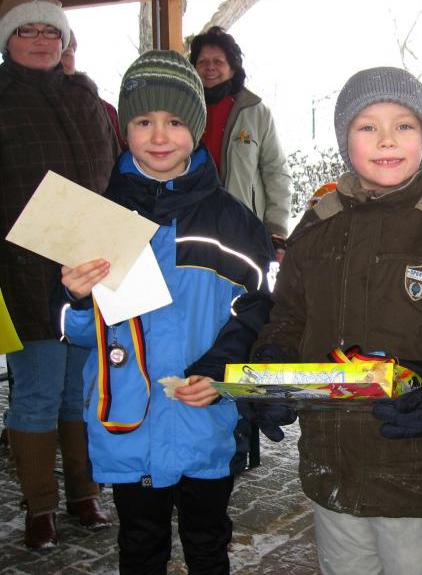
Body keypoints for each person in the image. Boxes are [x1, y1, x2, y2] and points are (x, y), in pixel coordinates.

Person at [249, 66, 422, 575]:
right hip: (332, 460)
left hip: (417, 463)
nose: (386, 140)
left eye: (404, 125)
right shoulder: (319, 225)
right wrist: (273, 366)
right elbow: (289, 315)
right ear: (344, 139)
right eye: (367, 126)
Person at [56, 50, 277, 574]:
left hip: (204, 415)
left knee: (207, 541)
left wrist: (220, 370)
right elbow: (71, 329)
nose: (159, 136)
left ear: (195, 128)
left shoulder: (233, 222)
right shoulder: (97, 217)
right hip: (128, 421)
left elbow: (263, 307)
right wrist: (80, 298)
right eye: (143, 122)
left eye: (175, 122)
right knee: (139, 542)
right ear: (124, 129)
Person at [0, 0, 119, 549]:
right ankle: (40, 506)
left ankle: (84, 493)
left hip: (91, 271)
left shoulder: (86, 98)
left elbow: (113, 179)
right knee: (37, 393)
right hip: (24, 272)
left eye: (51, 31)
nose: (41, 40)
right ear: (7, 40)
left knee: (81, 391)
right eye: (27, 30)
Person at [189, 26, 293, 247]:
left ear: (233, 68)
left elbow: (276, 172)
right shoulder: (182, 111)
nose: (209, 67)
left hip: (244, 231)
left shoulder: (256, 112)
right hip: (193, 228)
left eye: (218, 61)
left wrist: (276, 228)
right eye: (202, 62)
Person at [61, 29, 124, 148]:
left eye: (65, 54)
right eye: (44, 54)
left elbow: (123, 152)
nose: (58, 62)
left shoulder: (105, 111)